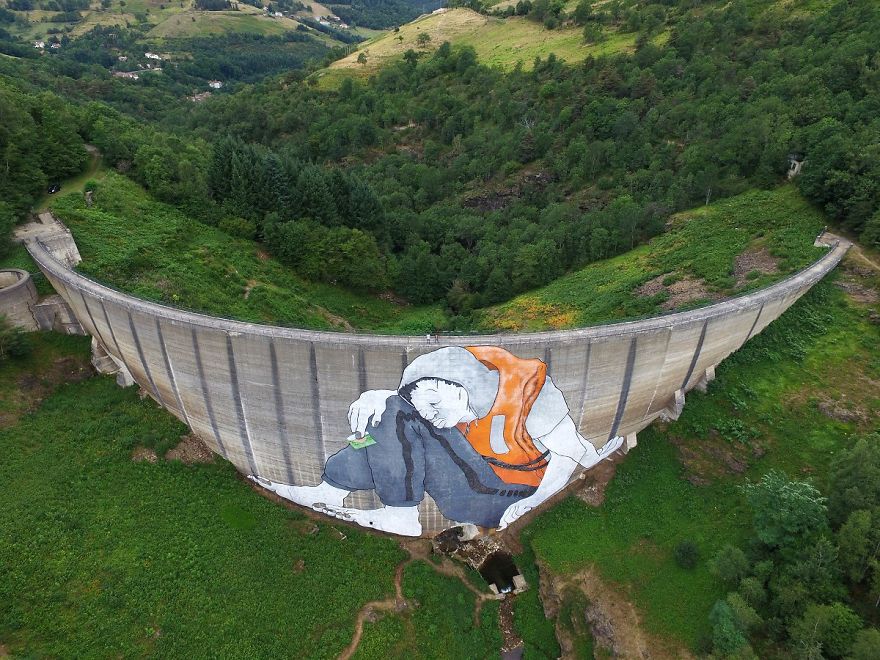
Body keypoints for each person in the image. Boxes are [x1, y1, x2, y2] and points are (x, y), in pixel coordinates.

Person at [252, 346, 622, 536]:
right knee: (386, 424)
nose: (431, 415)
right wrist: (376, 403)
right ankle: (330, 490)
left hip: (503, 496)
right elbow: (398, 430)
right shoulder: (444, 415)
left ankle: (401, 516)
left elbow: (570, 455)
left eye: (432, 402)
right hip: (466, 487)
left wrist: (529, 506)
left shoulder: (529, 394)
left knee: (395, 413)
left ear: (458, 384)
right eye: (424, 409)